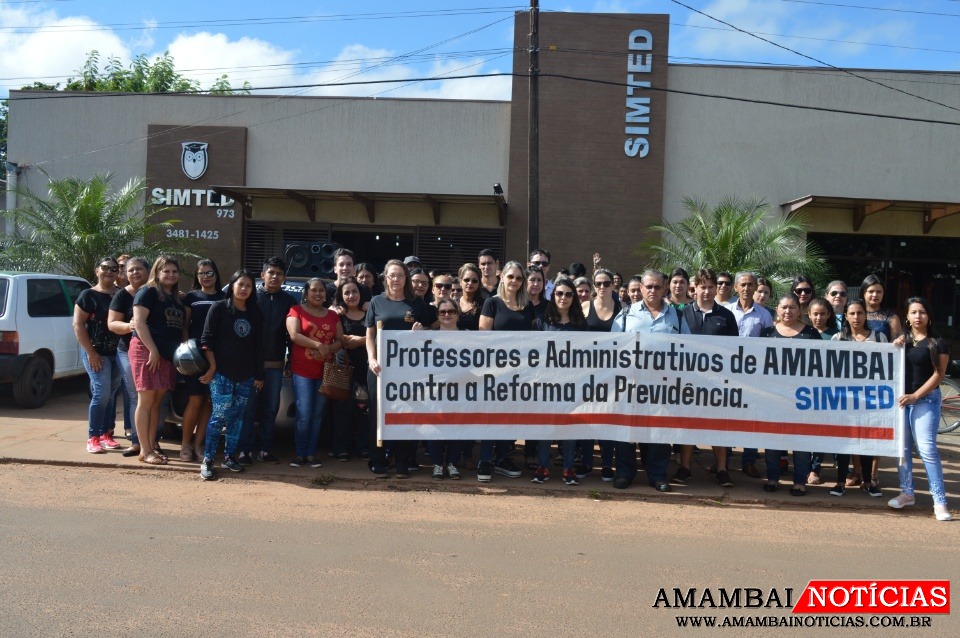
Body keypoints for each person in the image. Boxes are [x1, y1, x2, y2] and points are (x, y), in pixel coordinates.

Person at [611, 271, 690, 492]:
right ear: (641, 288)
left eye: (657, 287)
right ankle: (625, 473)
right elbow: (613, 348)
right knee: (627, 430)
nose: (652, 291)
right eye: (648, 287)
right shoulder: (626, 315)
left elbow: (690, 350)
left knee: (659, 430)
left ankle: (657, 475)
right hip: (630, 384)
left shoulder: (678, 317)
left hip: (663, 385)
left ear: (665, 288)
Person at [673, 268, 739, 488]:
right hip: (689, 381)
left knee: (719, 426)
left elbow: (735, 350)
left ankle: (721, 470)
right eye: (703, 287)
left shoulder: (726, 315)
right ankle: (685, 468)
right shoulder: (682, 314)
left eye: (712, 287)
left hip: (718, 382)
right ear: (695, 288)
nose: (708, 291)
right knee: (688, 425)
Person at [888, 297, 952, 521]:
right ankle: (907, 493)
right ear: (907, 316)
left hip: (926, 401)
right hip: (901, 402)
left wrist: (916, 395)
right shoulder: (902, 341)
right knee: (902, 450)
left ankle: (940, 501)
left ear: (929, 316)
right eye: (913, 312)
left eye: (922, 312)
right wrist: (896, 345)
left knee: (927, 450)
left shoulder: (938, 342)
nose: (918, 316)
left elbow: (939, 375)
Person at [366, 259, 430, 478]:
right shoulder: (376, 301)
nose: (395, 279)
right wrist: (371, 359)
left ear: (406, 279)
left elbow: (432, 329)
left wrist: (422, 331)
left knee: (406, 414)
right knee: (379, 414)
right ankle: (378, 459)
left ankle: (403, 461)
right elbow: (370, 334)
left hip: (407, 370)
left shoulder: (416, 304)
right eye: (392, 275)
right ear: (385, 278)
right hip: (379, 369)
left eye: (400, 275)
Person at [198, 270, 265, 481]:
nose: (244, 289)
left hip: (245, 375)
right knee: (219, 418)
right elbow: (206, 340)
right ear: (232, 285)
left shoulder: (256, 313)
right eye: (240, 284)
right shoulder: (219, 308)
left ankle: (229, 457)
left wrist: (259, 375)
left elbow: (259, 348)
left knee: (237, 419)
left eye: (248, 286)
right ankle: (208, 460)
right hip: (221, 374)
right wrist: (212, 367)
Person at [478, 260, 534, 482]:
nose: (514, 281)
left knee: (509, 417)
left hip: (519, 373)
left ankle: (502, 458)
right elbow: (483, 338)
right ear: (502, 277)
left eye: (519, 278)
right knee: (490, 417)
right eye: (511, 276)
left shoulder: (527, 306)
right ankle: (484, 459)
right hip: (494, 371)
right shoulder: (491, 303)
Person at [828, 298, 888, 497]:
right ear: (845, 316)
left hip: (870, 400)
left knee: (867, 441)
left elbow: (888, 369)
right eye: (852, 313)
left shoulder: (879, 338)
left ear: (865, 315)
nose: (856, 317)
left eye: (860, 313)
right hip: (844, 400)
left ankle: (868, 482)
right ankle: (840, 482)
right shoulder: (837, 338)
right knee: (844, 442)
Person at [239, 257, 296, 465]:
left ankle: (265, 449)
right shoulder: (249, 297)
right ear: (262, 275)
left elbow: (292, 335)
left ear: (284, 278)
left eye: (279, 273)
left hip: (275, 365)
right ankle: (245, 450)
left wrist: (290, 360)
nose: (274, 276)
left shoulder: (289, 301)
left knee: (270, 409)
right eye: (271, 272)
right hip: (249, 364)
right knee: (248, 408)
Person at [129, 255, 185, 466]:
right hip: (146, 351)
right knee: (146, 400)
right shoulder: (148, 292)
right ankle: (144, 450)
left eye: (174, 271)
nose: (170, 275)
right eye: (166, 271)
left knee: (156, 403)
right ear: (157, 272)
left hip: (167, 355)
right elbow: (140, 323)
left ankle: (151, 445)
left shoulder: (175, 298)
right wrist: (152, 349)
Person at [760, 293, 818, 495]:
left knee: (801, 442)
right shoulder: (766, 334)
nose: (788, 311)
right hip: (773, 398)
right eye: (784, 307)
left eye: (792, 307)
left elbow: (821, 367)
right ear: (777, 309)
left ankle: (799, 482)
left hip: (802, 399)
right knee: (772, 441)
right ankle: (773, 478)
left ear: (800, 310)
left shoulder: (811, 334)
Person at [531, 278, 588, 486]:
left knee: (570, 428)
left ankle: (568, 468)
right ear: (552, 296)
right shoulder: (541, 322)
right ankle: (543, 466)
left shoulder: (581, 324)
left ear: (574, 297)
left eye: (568, 294)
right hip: (546, 385)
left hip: (572, 385)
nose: (563, 298)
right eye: (559, 294)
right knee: (545, 427)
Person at [286, 278, 344, 468]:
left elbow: (340, 340)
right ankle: (300, 453)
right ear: (307, 292)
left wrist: (330, 348)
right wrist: (318, 345)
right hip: (302, 371)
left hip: (324, 372)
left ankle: (311, 454)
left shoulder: (332, 316)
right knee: (304, 413)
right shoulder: (297, 310)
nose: (318, 293)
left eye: (321, 291)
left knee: (318, 414)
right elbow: (294, 336)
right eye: (314, 290)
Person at [856, 274, 903, 492]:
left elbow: (899, 344)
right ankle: (857, 472)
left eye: (879, 291)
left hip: (879, 379)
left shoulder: (890, 317)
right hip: (853, 379)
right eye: (871, 291)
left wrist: (900, 341)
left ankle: (873, 475)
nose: (875, 295)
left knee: (875, 428)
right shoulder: (854, 312)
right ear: (863, 293)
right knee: (854, 427)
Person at [74, 256, 122, 454]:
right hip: (96, 353)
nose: (109, 272)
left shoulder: (120, 295)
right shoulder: (88, 295)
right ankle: (93, 437)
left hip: (119, 354)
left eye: (113, 269)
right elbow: (78, 325)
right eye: (105, 268)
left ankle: (106, 434)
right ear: (97, 270)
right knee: (101, 393)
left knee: (110, 394)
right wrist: (91, 353)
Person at [179, 259, 224, 462]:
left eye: (209, 273)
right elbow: (185, 326)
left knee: (209, 403)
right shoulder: (191, 297)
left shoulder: (225, 297)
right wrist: (187, 352)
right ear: (197, 277)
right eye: (201, 273)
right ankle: (185, 445)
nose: (206, 277)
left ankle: (199, 444)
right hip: (195, 358)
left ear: (216, 274)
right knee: (195, 400)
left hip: (218, 357)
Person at [108, 257, 150, 458]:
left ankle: (152, 441)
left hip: (157, 352)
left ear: (149, 271)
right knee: (135, 394)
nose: (134, 273)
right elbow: (112, 324)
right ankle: (136, 442)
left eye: (139, 269)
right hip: (127, 351)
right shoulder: (121, 296)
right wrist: (130, 326)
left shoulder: (158, 293)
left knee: (159, 398)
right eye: (130, 270)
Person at [581, 267, 619, 481]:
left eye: (607, 283)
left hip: (613, 374)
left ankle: (606, 464)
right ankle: (586, 462)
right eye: (598, 284)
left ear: (613, 285)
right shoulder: (585, 306)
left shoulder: (622, 308)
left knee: (607, 419)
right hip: (588, 373)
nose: (602, 287)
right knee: (588, 419)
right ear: (593, 286)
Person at [332, 277, 369, 461]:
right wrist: (349, 340)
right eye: (346, 292)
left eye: (354, 291)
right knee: (342, 410)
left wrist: (361, 341)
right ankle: (342, 448)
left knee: (363, 409)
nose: (351, 295)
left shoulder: (369, 312)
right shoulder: (337, 314)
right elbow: (336, 337)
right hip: (342, 369)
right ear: (341, 296)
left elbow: (376, 336)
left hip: (365, 369)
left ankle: (363, 447)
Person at [428, 298, 464, 480]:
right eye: (443, 312)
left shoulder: (469, 337)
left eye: (451, 311)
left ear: (458, 314)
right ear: (438, 315)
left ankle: (452, 464)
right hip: (435, 390)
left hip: (462, 390)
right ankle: (436, 464)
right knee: (435, 426)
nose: (447, 315)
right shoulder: (428, 337)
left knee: (457, 427)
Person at [114, 254, 133, 438]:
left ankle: (129, 426)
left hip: (126, 347)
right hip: (105, 349)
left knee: (129, 388)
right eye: (120, 265)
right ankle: (106, 429)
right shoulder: (109, 290)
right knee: (106, 391)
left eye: (126, 265)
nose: (122, 269)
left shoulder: (140, 291)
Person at [456, 263, 484, 331]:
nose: (470, 283)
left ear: (478, 284)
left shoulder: (484, 305)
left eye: (474, 281)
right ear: (460, 282)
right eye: (466, 280)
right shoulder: (453, 304)